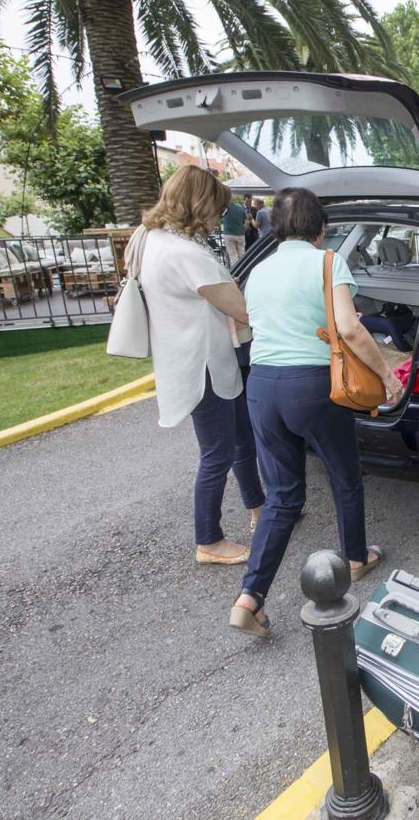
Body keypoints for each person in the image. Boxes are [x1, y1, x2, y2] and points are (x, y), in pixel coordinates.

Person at [229, 187, 404, 637]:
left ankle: (250, 597)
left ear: (275, 226)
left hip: (262, 386)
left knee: (283, 496)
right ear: (321, 227)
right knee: (344, 473)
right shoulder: (328, 262)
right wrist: (387, 376)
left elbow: (246, 323)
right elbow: (349, 327)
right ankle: (356, 556)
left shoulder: (259, 271)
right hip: (311, 385)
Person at [136, 165, 266, 566]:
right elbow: (242, 311)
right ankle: (208, 539)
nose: (218, 218)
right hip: (203, 366)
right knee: (218, 454)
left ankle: (260, 508)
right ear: (200, 205)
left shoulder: (148, 239)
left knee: (241, 437)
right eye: (216, 209)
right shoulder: (186, 253)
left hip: (186, 359)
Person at [221, 196, 247, 264]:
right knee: (242, 254)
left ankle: (236, 272)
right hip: (240, 234)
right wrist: (244, 230)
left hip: (228, 234)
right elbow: (246, 221)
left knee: (233, 255)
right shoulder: (240, 207)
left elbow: (219, 217)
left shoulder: (224, 208)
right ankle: (244, 270)